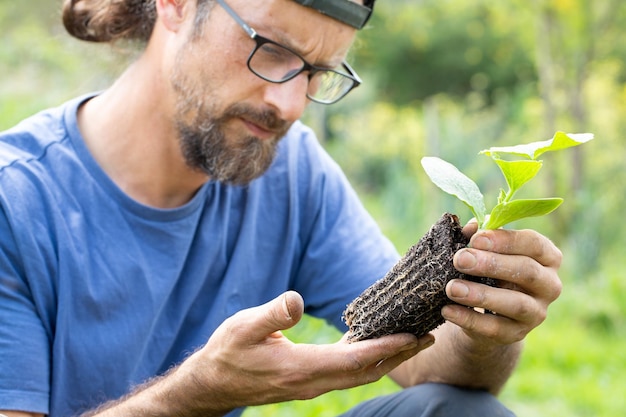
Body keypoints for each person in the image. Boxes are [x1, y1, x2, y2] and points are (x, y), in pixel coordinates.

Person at [0, 0, 563, 416]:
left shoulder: (289, 170)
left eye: (318, 73)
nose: (290, 106)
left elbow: (432, 368)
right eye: (270, 50)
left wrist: (484, 327)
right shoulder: (17, 202)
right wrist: (198, 391)